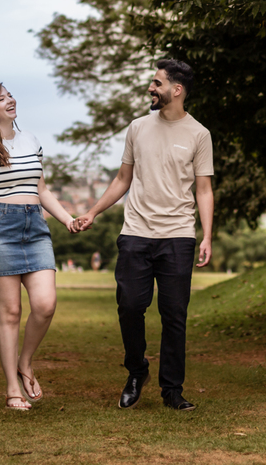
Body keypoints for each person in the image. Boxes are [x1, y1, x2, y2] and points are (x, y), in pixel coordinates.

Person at [72, 59, 214, 411]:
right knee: (130, 306)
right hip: (136, 232)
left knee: (174, 314)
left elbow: (204, 189)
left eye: (157, 83)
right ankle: (137, 371)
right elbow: (123, 179)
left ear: (176, 90)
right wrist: (92, 211)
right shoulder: (137, 127)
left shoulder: (199, 134)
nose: (151, 88)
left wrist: (206, 236)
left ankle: (172, 390)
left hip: (178, 235)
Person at [0, 83, 76, 411]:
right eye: (2, 98)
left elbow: (41, 189)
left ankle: (24, 362)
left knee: (45, 304)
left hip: (35, 225)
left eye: (10, 95)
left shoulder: (31, 140)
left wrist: (67, 219)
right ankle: (13, 389)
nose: (11, 100)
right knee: (11, 311)